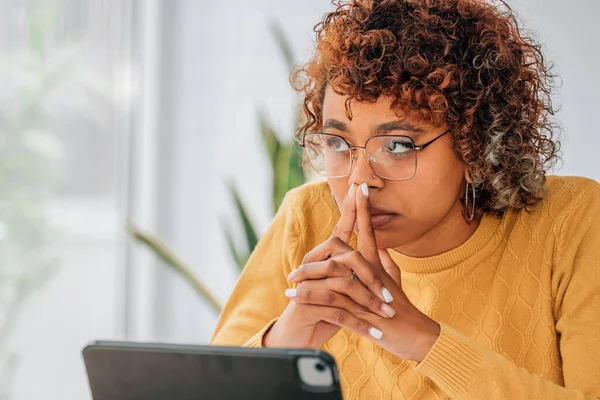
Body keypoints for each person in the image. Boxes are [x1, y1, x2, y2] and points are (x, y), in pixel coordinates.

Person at [211, 0, 600, 398]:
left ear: (476, 146)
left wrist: (420, 339)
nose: (360, 180)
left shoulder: (572, 222)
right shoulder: (307, 217)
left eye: (398, 145)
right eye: (338, 143)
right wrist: (285, 340)